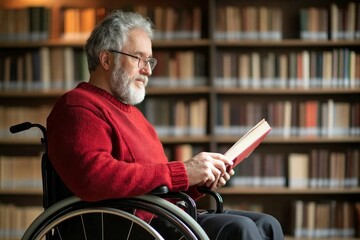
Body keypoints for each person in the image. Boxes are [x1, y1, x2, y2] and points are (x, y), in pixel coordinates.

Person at [47, 10, 284, 239]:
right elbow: (94, 177)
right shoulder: (77, 106)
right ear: (107, 59)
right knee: (238, 229)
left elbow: (157, 185)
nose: (148, 70)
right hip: (126, 227)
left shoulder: (133, 115)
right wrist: (183, 172)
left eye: (150, 61)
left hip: (158, 216)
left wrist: (197, 182)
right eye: (139, 58)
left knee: (267, 224)